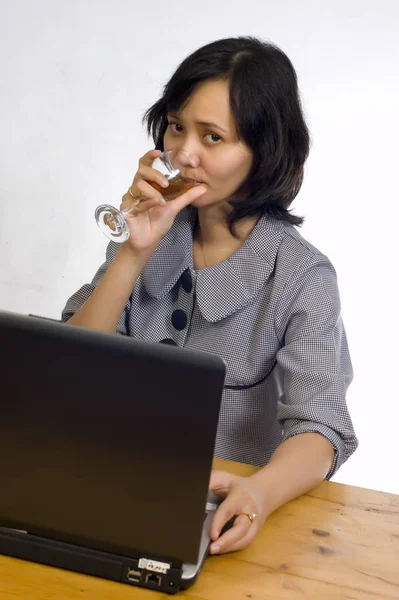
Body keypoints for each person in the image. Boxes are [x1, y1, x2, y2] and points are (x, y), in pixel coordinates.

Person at [62, 37, 358, 555]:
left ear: (263, 152)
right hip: (102, 496)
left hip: (217, 522)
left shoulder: (303, 275)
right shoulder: (153, 231)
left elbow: (320, 426)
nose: (184, 154)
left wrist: (259, 493)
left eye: (213, 137)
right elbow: (66, 369)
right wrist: (132, 251)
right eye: (177, 126)